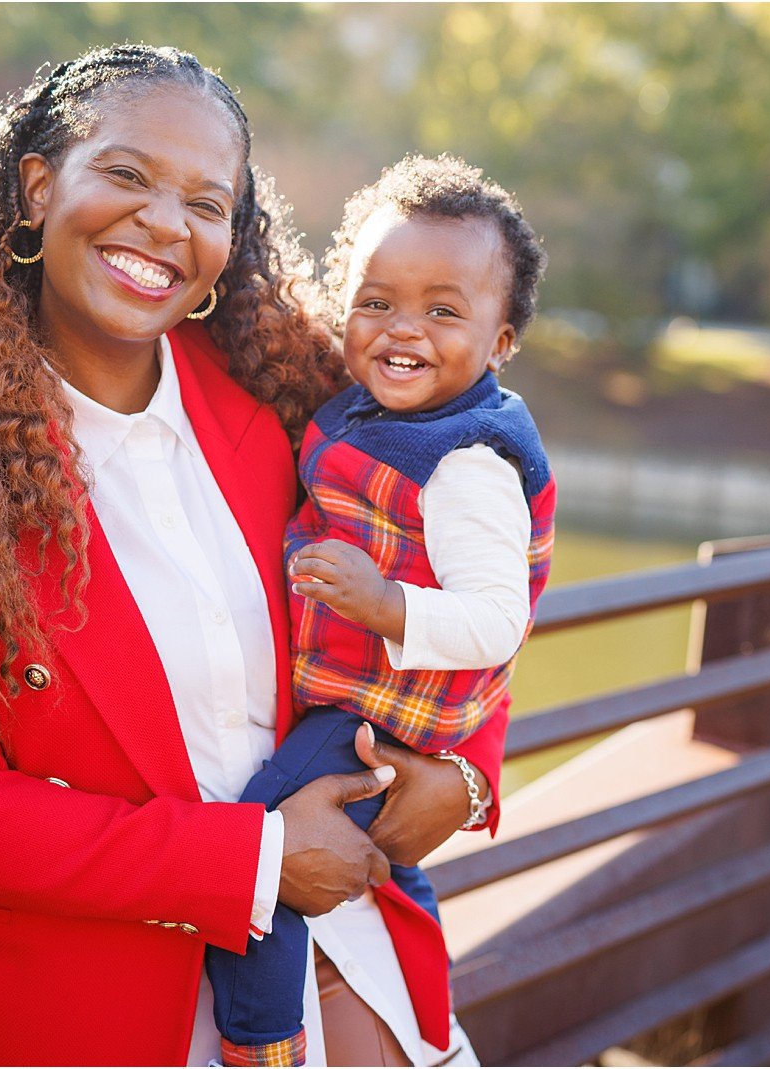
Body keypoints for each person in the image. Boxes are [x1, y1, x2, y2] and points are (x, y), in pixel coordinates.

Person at [0, 46, 506, 1066]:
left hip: (346, 954)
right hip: (74, 1010)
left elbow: (469, 578)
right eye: (126, 174)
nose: (165, 221)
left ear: (229, 239)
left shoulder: (287, 404)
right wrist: (258, 859)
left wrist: (459, 771)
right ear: (35, 186)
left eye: (207, 201)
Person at [205, 155, 555, 1066]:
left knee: (260, 855)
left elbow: (497, 620)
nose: (404, 330)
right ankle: (428, 1022)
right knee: (375, 869)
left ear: (502, 340)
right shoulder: (364, 411)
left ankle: (263, 1040)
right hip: (359, 704)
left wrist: (384, 602)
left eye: (445, 311)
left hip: (368, 712)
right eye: (377, 302)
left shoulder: (471, 463)